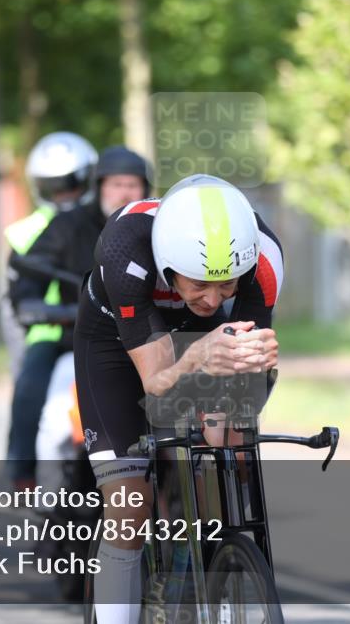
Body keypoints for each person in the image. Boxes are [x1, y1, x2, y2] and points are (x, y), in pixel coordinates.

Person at [73, 174, 284, 624]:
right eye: (200, 285)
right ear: (169, 264)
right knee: (130, 503)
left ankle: (204, 571)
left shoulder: (263, 260)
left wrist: (229, 401)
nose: (213, 298)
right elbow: (156, 383)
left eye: (228, 285)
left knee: (226, 445)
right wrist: (201, 355)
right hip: (115, 343)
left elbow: (243, 367)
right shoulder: (124, 249)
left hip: (204, 342)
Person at [5, 143, 151, 490]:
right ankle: (34, 488)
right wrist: (50, 310)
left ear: (145, 189)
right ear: (98, 186)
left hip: (146, 339)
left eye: (132, 185)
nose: (123, 192)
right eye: (115, 184)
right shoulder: (68, 225)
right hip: (76, 339)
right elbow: (28, 277)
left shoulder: (158, 227)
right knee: (37, 397)